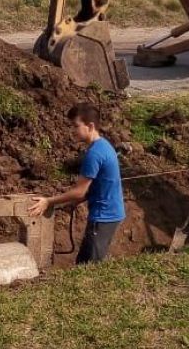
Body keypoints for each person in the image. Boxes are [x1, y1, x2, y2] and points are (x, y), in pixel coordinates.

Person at [28, 103, 125, 264]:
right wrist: (73, 201)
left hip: (104, 216)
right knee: (83, 263)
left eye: (76, 126)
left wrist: (48, 201)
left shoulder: (94, 154)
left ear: (90, 126)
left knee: (90, 266)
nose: (73, 130)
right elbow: (97, 186)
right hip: (109, 213)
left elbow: (80, 191)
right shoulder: (104, 146)